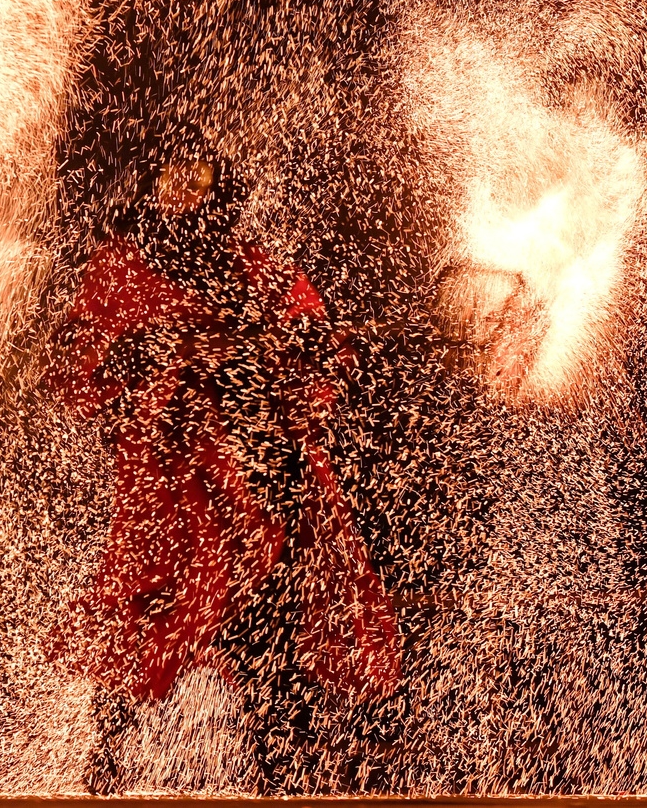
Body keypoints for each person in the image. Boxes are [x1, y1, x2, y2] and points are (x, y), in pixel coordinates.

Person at [49, 129, 400, 789]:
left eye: (195, 175)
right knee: (139, 631)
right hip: (170, 491)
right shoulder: (120, 272)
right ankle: (101, 780)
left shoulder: (254, 270)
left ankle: (287, 784)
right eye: (169, 175)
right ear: (149, 186)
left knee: (275, 655)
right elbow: (74, 371)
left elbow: (318, 359)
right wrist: (143, 360)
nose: (181, 190)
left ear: (217, 185)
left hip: (264, 492)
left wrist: (301, 351)